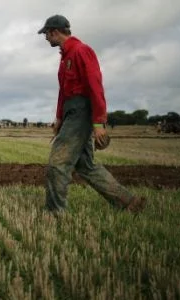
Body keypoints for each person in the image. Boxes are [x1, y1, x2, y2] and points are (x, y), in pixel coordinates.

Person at [38, 14, 146, 213]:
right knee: (86, 166)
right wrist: (59, 118)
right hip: (71, 112)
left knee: (57, 163)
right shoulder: (65, 58)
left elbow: (95, 86)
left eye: (46, 34)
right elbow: (63, 92)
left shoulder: (81, 51)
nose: (45, 38)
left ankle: (54, 214)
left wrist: (98, 123)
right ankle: (129, 203)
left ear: (54, 31)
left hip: (81, 111)